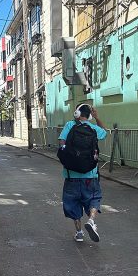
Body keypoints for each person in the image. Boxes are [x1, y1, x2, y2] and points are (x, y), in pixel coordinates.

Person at [58, 103, 108, 243]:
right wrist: (98, 118)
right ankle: (91, 220)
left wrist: (69, 156)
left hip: (71, 175)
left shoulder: (69, 125)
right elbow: (105, 132)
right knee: (94, 198)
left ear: (77, 114)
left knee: (73, 203)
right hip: (90, 175)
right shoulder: (93, 128)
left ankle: (79, 233)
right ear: (90, 115)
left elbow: (62, 142)